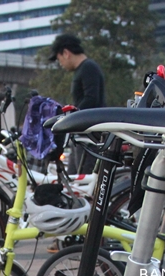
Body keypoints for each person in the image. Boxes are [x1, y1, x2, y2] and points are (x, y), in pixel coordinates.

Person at [48, 33, 105, 175]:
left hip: (89, 135)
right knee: (74, 177)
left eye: (59, 59)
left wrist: (72, 115)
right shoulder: (82, 69)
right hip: (80, 134)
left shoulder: (88, 68)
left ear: (66, 53)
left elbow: (91, 99)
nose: (60, 63)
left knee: (84, 177)